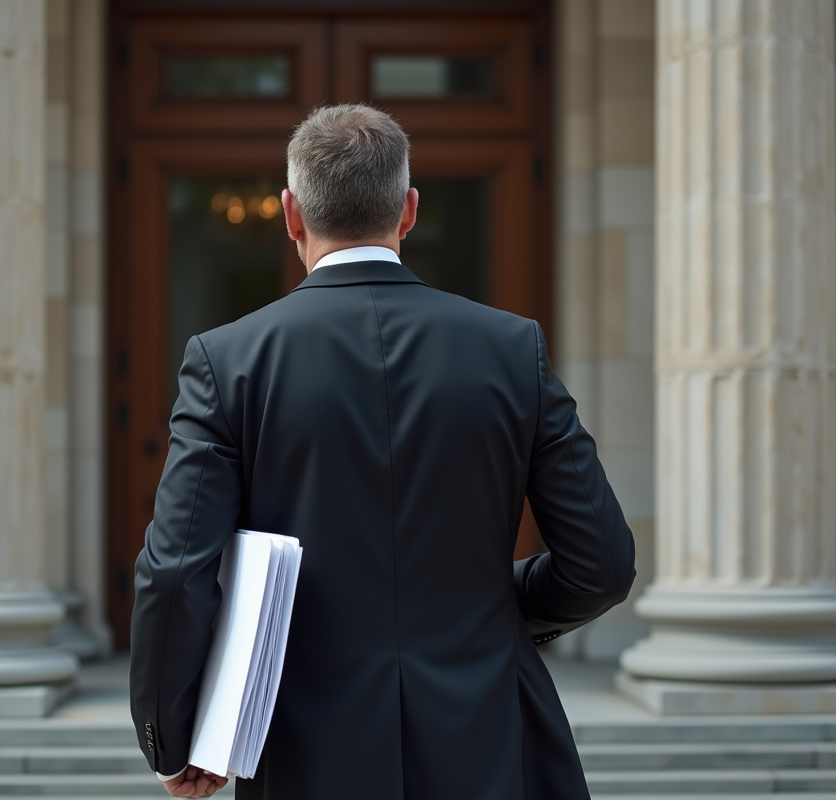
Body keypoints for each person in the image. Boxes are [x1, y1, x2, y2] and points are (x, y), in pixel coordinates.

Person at [129, 103, 635, 800]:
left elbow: (174, 573)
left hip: (306, 744)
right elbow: (602, 565)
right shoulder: (512, 349)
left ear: (290, 214)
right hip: (491, 733)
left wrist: (174, 736)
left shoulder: (228, 360)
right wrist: (497, 603)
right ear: (409, 211)